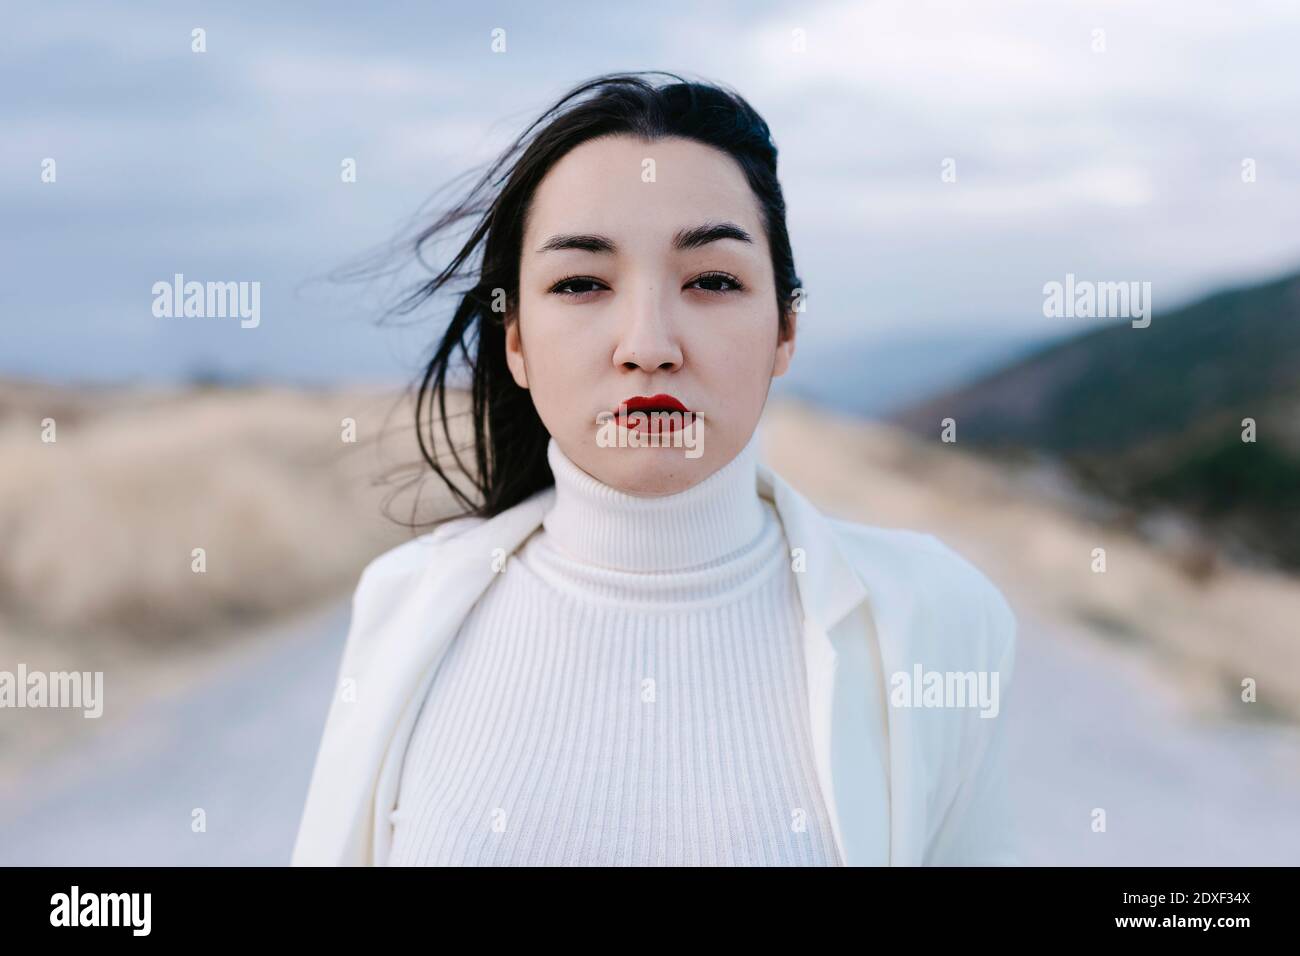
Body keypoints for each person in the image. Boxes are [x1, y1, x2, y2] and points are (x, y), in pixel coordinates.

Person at [291, 71, 1017, 867]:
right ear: (517, 342)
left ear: (784, 328)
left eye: (711, 281)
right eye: (580, 283)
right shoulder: (406, 608)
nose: (648, 345)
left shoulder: (937, 621)